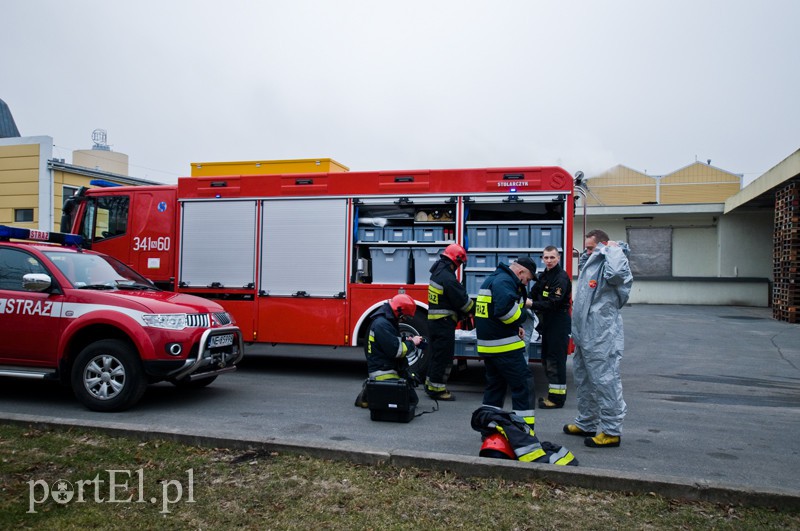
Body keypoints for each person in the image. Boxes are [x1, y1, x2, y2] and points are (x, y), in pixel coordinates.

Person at [563, 229, 633, 448]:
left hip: (601, 333)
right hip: (585, 333)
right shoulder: (595, 263)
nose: (588, 252)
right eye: (587, 248)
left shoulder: (613, 261)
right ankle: (587, 422)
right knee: (584, 380)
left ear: (604, 245)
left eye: (592, 248)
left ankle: (612, 431)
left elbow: (617, 275)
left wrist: (613, 249)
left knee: (605, 380)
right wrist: (592, 253)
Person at [474, 257, 538, 432]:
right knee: (523, 385)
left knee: (495, 388)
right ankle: (524, 431)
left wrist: (515, 326)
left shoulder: (493, 279)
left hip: (489, 345)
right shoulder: (505, 281)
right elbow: (504, 311)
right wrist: (523, 316)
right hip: (504, 347)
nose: (526, 283)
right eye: (528, 279)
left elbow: (493, 312)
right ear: (521, 272)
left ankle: (489, 429)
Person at [354, 294, 423, 408]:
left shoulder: (387, 321)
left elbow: (390, 342)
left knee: (410, 397)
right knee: (410, 401)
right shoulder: (382, 325)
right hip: (383, 371)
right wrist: (412, 343)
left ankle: (374, 389)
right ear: (399, 311)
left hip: (388, 366)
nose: (405, 319)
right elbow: (396, 351)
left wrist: (405, 340)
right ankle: (369, 391)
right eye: (405, 316)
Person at [425, 244, 474, 401]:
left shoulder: (437, 272)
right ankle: (437, 389)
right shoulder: (448, 278)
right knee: (444, 357)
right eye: (459, 263)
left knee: (435, 355)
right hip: (443, 323)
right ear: (456, 260)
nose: (459, 266)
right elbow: (462, 302)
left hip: (435, 323)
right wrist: (472, 310)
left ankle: (430, 384)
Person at [528, 246, 572, 409]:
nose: (549, 260)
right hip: (547, 323)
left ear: (558, 258)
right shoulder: (544, 276)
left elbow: (554, 302)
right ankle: (552, 395)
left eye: (552, 257)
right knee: (547, 359)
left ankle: (557, 399)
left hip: (558, 322)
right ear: (542, 259)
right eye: (546, 257)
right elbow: (533, 293)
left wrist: (532, 304)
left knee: (556, 361)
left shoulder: (560, 277)